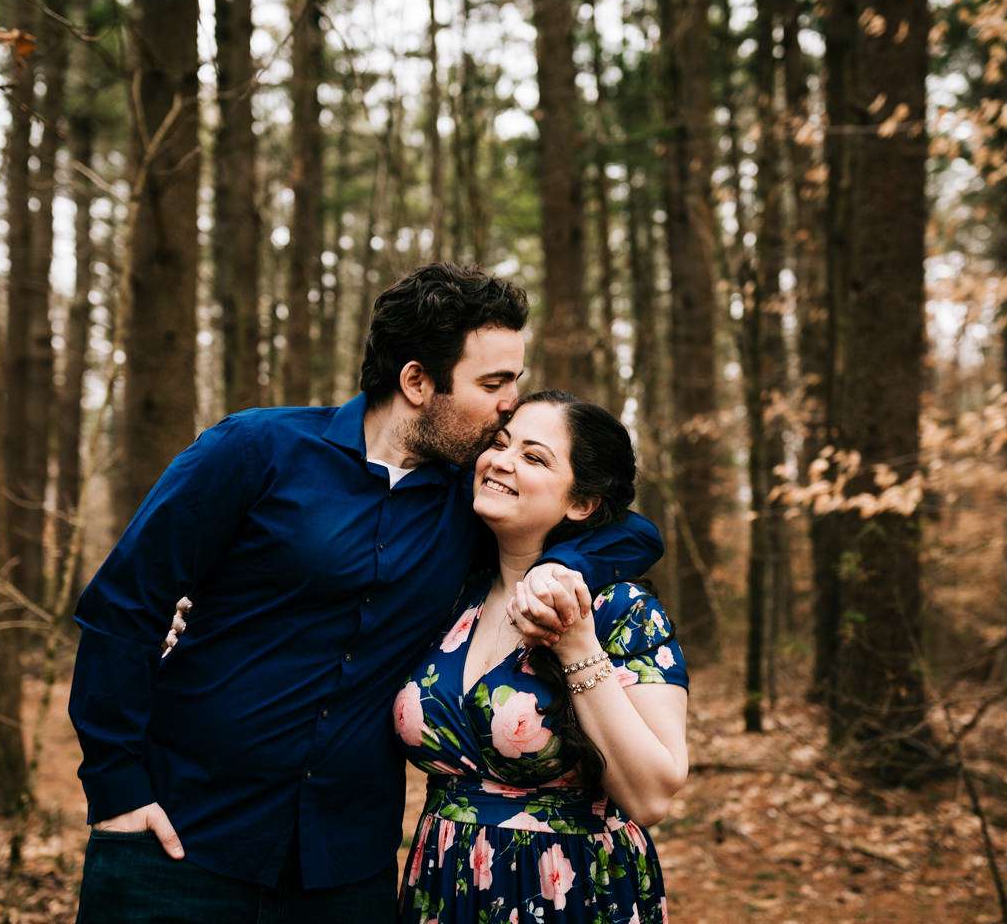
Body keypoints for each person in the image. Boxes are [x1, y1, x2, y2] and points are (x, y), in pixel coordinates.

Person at [68, 263, 664, 923]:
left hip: (345, 872)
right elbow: (122, 609)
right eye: (493, 383)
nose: (509, 404)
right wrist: (115, 789)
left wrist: (564, 565)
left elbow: (632, 532)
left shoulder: (466, 503)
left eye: (513, 382)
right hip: (179, 846)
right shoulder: (254, 451)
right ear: (416, 381)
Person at [393, 391, 689, 924]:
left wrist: (576, 643)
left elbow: (649, 798)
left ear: (581, 503)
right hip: (443, 887)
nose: (502, 460)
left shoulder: (622, 610)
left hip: (572, 890)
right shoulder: (451, 594)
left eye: (534, 456)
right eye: (499, 443)